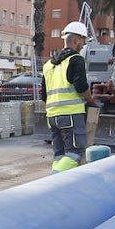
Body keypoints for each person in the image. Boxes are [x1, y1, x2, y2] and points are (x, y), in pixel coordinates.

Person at [43, 20, 94, 172]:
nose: (84, 45)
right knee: (75, 152)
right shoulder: (76, 59)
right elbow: (81, 86)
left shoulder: (48, 65)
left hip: (52, 117)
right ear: (76, 40)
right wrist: (91, 100)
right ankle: (55, 179)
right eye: (83, 41)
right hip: (71, 114)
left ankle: (56, 181)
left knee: (59, 154)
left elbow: (43, 94)